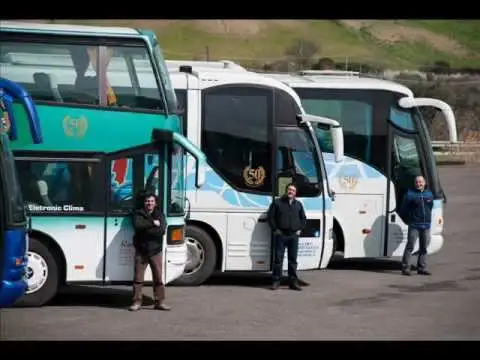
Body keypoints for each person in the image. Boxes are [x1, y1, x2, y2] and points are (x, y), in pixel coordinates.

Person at [129, 193, 170, 311]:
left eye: (152, 201)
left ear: (155, 203)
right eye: (147, 201)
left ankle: (160, 302)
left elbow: (161, 231)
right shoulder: (138, 213)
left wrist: (146, 230)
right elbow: (137, 225)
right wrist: (152, 224)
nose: (149, 203)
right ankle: (136, 302)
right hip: (141, 251)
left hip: (156, 251)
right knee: (138, 279)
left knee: (158, 278)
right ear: (144, 203)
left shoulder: (160, 215)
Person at [267, 183, 308, 291]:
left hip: (293, 236)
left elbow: (303, 219)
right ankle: (276, 281)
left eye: (293, 190)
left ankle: (293, 282)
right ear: (286, 191)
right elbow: (270, 217)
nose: (291, 192)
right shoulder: (277, 202)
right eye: (289, 189)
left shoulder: (298, 204)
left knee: (292, 260)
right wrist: (276, 230)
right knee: (278, 260)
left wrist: (299, 229)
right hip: (281, 235)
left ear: (295, 193)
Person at [399, 175, 434, 276]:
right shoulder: (409, 195)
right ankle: (405, 268)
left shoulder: (429, 194)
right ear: (414, 184)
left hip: (426, 225)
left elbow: (430, 207)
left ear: (424, 183)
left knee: (424, 247)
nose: (419, 184)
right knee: (410, 246)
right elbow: (403, 209)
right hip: (414, 225)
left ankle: (422, 268)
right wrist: (409, 219)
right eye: (417, 182)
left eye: (420, 182)